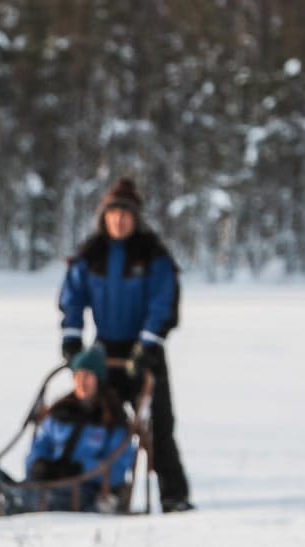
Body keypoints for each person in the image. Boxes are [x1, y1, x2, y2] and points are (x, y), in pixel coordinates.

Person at [58, 177, 193, 512]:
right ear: (104, 217)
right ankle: (100, 488)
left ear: (136, 218)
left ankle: (174, 496)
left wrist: (148, 344)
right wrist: (72, 339)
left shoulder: (152, 255)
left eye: (125, 215)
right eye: (113, 214)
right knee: (100, 420)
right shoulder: (91, 255)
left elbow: (164, 302)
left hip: (144, 351)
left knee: (159, 426)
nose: (119, 221)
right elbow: (72, 299)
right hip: (105, 351)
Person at [23, 344, 136, 512]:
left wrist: (80, 468)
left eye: (88, 376)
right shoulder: (61, 412)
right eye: (78, 376)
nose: (82, 382)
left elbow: (117, 470)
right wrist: (39, 464)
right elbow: (40, 445)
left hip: (87, 491)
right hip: (50, 483)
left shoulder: (112, 419)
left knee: (41, 500)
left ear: (98, 379)